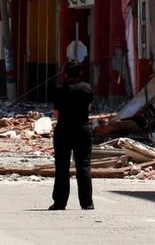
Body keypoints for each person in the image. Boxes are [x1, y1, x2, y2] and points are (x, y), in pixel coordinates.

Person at [50, 60, 95, 212]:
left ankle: (60, 202)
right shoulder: (87, 88)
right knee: (84, 165)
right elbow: (89, 108)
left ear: (65, 73)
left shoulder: (60, 89)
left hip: (64, 130)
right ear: (79, 73)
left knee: (62, 166)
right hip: (83, 129)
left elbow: (56, 113)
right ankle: (87, 202)